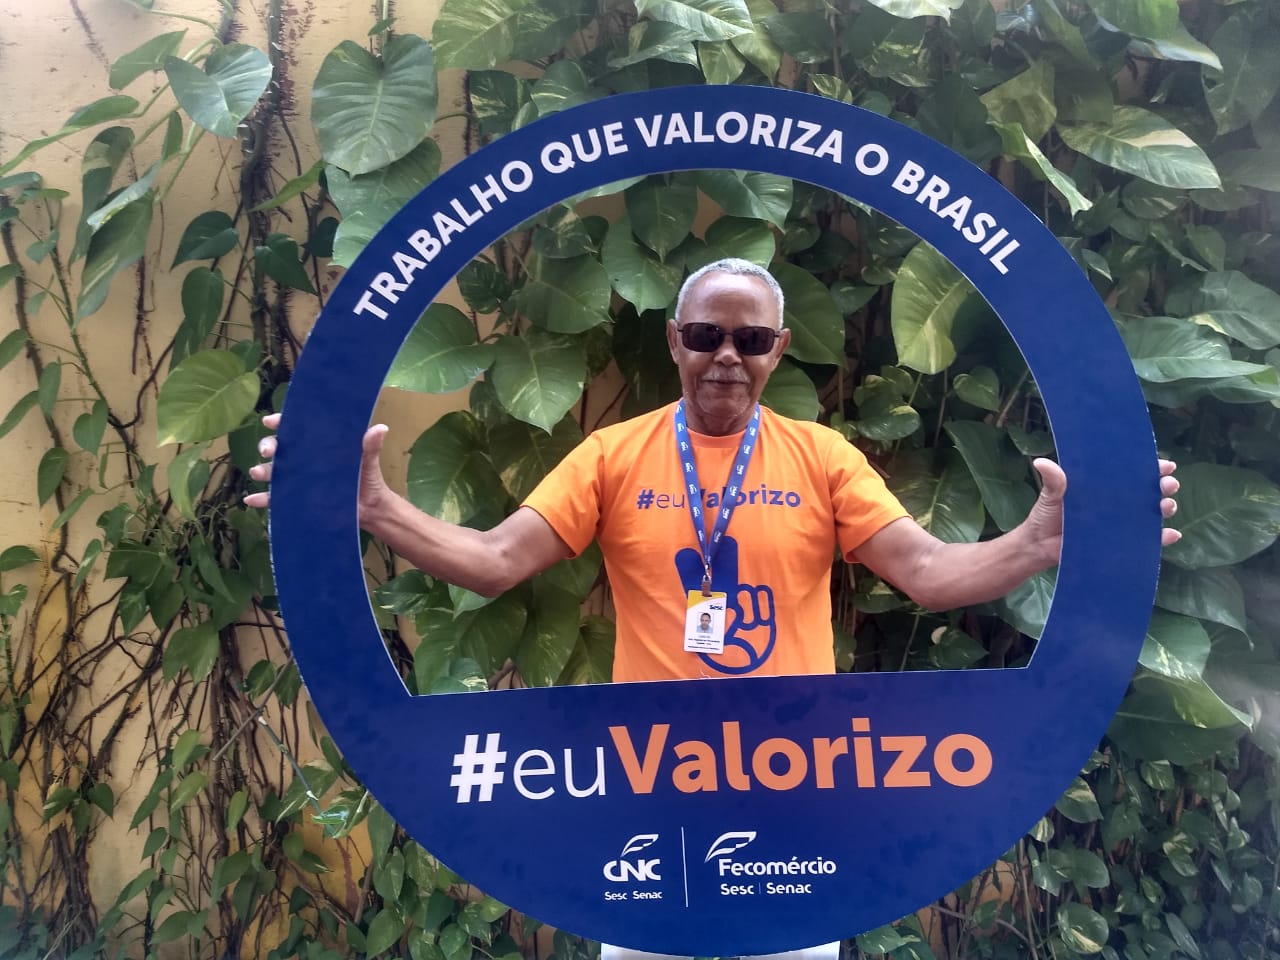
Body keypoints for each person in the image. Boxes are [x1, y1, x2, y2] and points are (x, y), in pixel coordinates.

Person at [246, 258, 1179, 958]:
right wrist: (375, 506)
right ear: (674, 341)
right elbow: (493, 563)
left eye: (750, 340)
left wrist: (1039, 544)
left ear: (779, 348)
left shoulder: (823, 457)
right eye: (705, 335)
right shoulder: (612, 455)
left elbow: (929, 574)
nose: (726, 356)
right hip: (652, 792)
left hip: (793, 790)